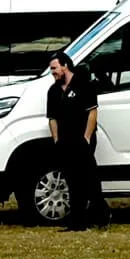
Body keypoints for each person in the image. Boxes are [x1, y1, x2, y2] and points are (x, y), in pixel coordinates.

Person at [46, 50, 108, 231]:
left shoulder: (84, 85)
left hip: (82, 139)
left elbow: (92, 112)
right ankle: (77, 222)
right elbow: (52, 118)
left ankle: (102, 214)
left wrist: (87, 137)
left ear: (65, 66)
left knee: (88, 179)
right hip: (65, 141)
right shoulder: (53, 91)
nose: (53, 72)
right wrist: (56, 139)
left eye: (55, 68)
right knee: (72, 181)